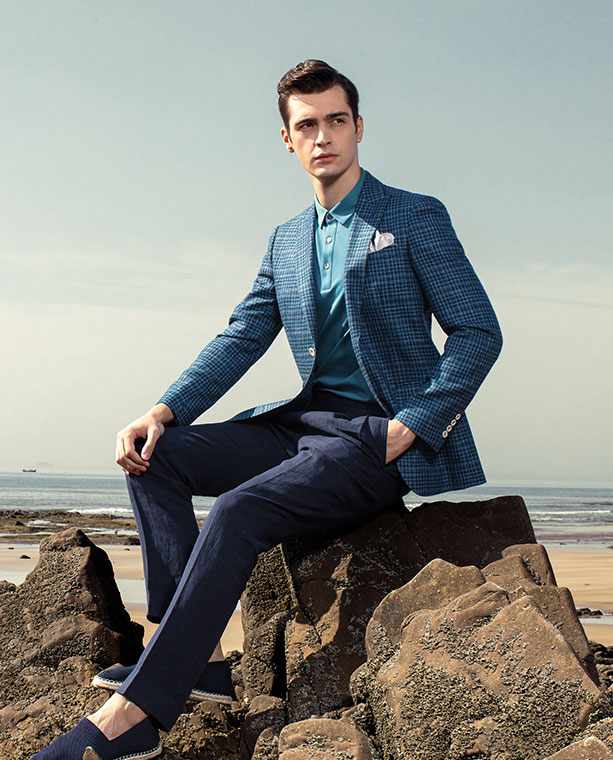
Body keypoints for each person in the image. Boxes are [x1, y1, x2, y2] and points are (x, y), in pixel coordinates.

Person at [33, 59, 502, 759]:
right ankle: (191, 658)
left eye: (336, 121)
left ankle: (134, 720)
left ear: (358, 127)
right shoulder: (285, 239)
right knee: (155, 457)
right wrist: (163, 410)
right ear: (287, 139)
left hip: (374, 438)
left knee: (236, 512)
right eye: (306, 125)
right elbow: (244, 334)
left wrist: (413, 424)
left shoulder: (413, 216)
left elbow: (477, 333)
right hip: (300, 424)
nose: (323, 137)